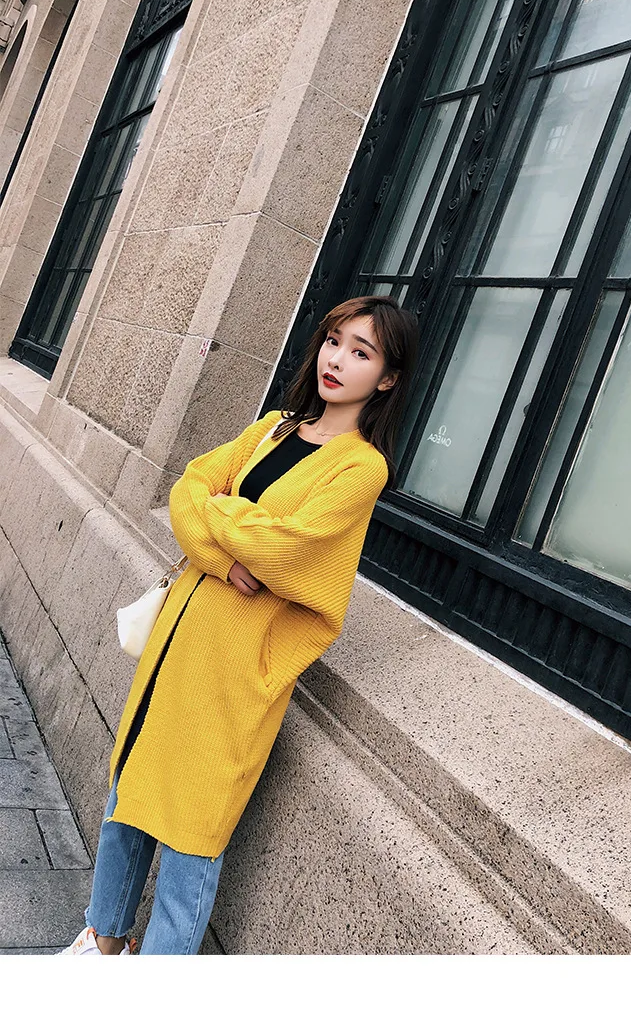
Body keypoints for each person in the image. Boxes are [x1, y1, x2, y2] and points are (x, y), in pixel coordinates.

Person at [58, 293, 419, 955]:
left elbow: (284, 549)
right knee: (129, 794)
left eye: (361, 352)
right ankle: (101, 945)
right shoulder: (274, 428)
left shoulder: (360, 467)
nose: (338, 359)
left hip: (237, 667)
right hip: (177, 645)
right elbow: (186, 489)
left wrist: (219, 513)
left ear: (387, 378)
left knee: (195, 830)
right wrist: (226, 559)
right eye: (334, 340)